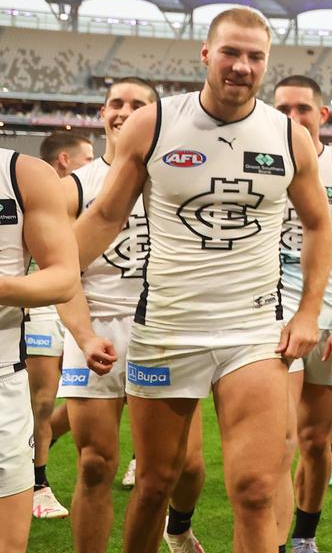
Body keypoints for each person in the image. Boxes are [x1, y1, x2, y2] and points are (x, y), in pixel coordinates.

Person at [74, 7, 332, 553]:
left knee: (258, 489)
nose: (241, 66)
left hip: (252, 331)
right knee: (154, 485)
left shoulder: (288, 136)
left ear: (266, 62)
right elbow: (104, 217)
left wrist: (309, 312)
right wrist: (55, 276)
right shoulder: (155, 123)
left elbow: (317, 224)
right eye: (231, 53)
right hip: (167, 328)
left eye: (255, 56)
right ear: (206, 54)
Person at [55, 77, 208, 553]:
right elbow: (63, 273)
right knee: (95, 464)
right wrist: (82, 335)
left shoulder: (176, 178)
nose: (124, 111)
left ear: (154, 116)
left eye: (138, 104)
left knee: (186, 466)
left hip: (165, 328)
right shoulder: (73, 187)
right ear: (102, 113)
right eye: (115, 103)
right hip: (95, 324)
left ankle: (177, 527)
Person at [271, 75, 332, 553]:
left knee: (313, 441)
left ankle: (304, 539)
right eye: (282, 108)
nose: (292, 118)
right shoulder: (261, 166)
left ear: (322, 115)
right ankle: (271, 542)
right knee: (281, 440)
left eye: (302, 109)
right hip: (273, 322)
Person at [1, 145, 114, 553]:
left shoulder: (23, 174)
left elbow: (64, 278)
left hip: (10, 361)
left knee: (44, 402)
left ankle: (40, 481)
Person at [24, 132, 95, 519]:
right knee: (42, 400)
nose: (93, 163)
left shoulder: (88, 194)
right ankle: (38, 484)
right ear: (65, 159)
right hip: (38, 305)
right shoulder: (31, 188)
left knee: (86, 396)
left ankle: (26, 452)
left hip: (78, 302)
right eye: (87, 158)